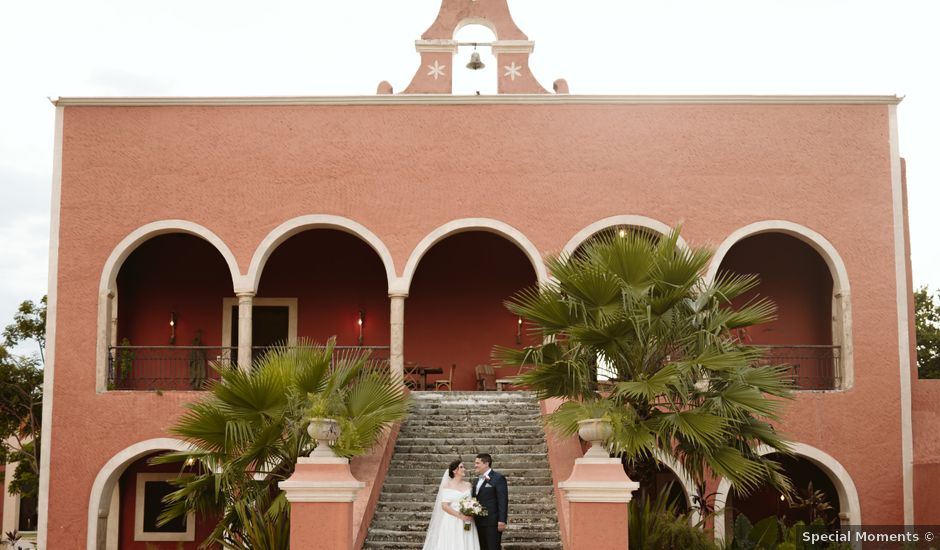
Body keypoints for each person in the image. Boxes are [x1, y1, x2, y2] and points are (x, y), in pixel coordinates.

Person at [422, 459, 482, 550]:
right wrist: (461, 516)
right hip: (452, 520)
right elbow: (444, 506)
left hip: (468, 519)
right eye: (461, 467)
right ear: (455, 471)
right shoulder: (447, 486)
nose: (464, 469)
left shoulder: (468, 485)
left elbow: (472, 501)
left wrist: (472, 511)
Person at [471, 453, 508, 550]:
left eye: (477, 463)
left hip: (492, 522)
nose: (475, 465)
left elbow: (503, 500)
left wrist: (502, 520)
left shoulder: (498, 478)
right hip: (478, 522)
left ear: (486, 463)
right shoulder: (476, 481)